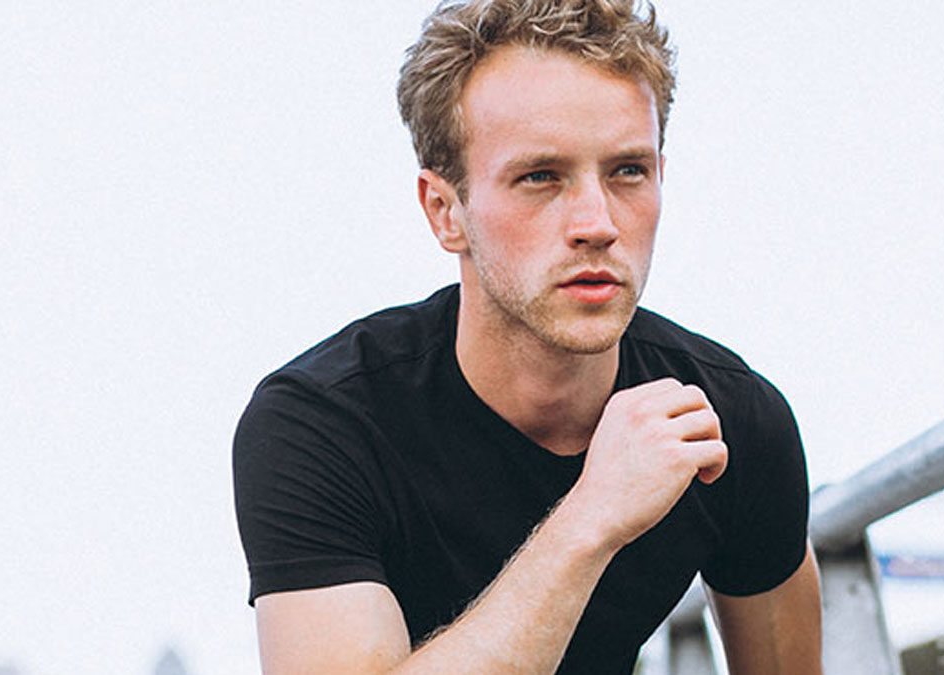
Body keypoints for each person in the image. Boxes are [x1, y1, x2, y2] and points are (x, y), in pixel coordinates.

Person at [233, 0, 823, 672]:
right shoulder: (322, 423)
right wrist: (589, 517)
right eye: (541, 177)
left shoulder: (728, 418)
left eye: (628, 171)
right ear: (445, 210)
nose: (597, 222)